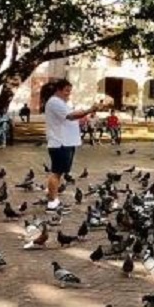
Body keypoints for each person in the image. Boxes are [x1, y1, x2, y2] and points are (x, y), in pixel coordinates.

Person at [44, 80, 102, 211]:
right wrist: (90, 110)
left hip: (67, 141)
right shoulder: (54, 102)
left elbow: (74, 116)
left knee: (60, 173)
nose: (68, 94)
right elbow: (70, 116)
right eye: (66, 91)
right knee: (56, 172)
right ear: (58, 90)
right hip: (60, 142)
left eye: (70, 91)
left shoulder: (63, 103)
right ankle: (52, 203)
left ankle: (53, 197)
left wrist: (85, 113)